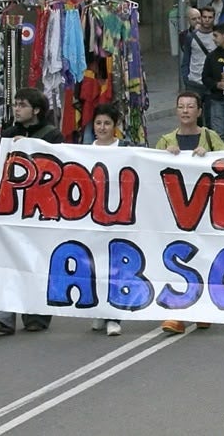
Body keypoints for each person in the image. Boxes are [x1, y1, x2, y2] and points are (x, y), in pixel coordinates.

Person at [0, 88, 65, 336]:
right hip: (11, 208)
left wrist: (32, 146)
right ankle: (3, 315)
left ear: (36, 110)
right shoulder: (8, 136)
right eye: (16, 104)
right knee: (7, 258)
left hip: (40, 208)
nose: (17, 109)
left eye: (22, 105)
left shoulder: (52, 136)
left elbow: (60, 169)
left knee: (37, 259)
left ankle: (36, 314)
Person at [157, 91, 224, 335]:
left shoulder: (210, 137)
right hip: (175, 213)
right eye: (181, 106)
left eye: (190, 106)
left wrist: (211, 156)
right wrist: (164, 157)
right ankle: (177, 313)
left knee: (203, 259)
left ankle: (203, 309)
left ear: (199, 111)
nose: (185, 110)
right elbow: (151, 171)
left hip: (206, 210)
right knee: (177, 262)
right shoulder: (165, 141)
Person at [90, 103, 128, 336]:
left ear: (115, 127)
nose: (102, 127)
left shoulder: (126, 149)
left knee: (116, 267)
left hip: (120, 218)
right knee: (94, 266)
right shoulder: (82, 151)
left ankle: (115, 316)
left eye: (107, 123)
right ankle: (98, 310)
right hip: (91, 218)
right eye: (98, 123)